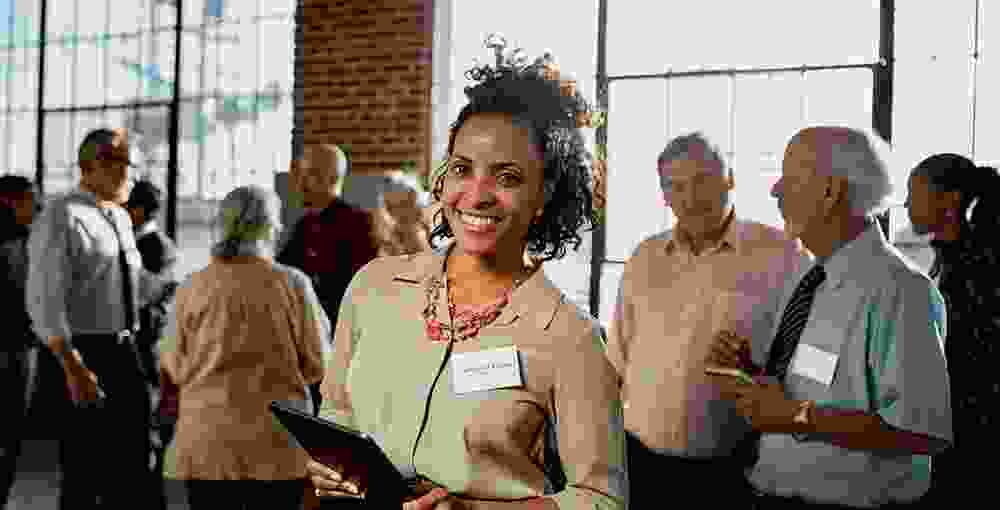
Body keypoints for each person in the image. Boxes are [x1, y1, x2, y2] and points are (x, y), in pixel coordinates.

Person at [308, 42, 627, 510]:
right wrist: (330, 467)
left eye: (508, 177)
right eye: (462, 169)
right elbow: (338, 415)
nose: (476, 195)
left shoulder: (571, 337)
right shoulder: (373, 287)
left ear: (545, 195)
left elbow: (602, 499)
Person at [708, 126, 952, 508]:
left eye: (789, 178)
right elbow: (820, 388)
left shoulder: (902, 291)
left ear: (830, 192)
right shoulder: (809, 278)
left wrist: (794, 416)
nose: (775, 191)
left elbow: (922, 432)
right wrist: (750, 373)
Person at [607, 132, 809, 507]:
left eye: (702, 180)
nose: (690, 197)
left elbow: (805, 364)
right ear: (664, 194)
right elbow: (618, 357)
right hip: (639, 463)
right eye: (675, 186)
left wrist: (756, 370)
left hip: (732, 471)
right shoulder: (644, 257)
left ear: (729, 179)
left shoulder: (782, 255)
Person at [25, 127, 176, 510]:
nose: (136, 176)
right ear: (98, 164)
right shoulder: (61, 216)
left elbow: (135, 284)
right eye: (131, 165)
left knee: (131, 461)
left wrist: (183, 287)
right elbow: (44, 300)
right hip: (82, 353)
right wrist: (73, 367)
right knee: (85, 468)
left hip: (125, 350)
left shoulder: (119, 218)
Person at [159, 185, 328, 510]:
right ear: (271, 227)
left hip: (206, 446)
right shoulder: (293, 284)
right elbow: (317, 364)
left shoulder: (192, 287)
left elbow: (175, 367)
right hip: (276, 448)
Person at [904, 154, 1000, 506]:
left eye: (914, 194)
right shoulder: (946, 262)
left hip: (971, 432)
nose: (906, 205)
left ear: (950, 200)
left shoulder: (976, 270)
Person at [277, 143, 379, 412]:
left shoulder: (358, 225)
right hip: (308, 347)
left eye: (308, 174)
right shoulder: (303, 226)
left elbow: (363, 293)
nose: (300, 183)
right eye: (300, 174)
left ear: (331, 177)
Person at [125, 178, 178, 510]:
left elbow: (148, 298)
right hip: (146, 342)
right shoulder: (154, 244)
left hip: (145, 345)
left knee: (146, 427)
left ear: (140, 210)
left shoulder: (153, 248)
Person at [0, 174, 40, 509]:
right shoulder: (16, 244)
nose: (37, 207)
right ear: (9, 202)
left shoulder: (24, 240)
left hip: (18, 345)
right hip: (13, 348)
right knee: (10, 429)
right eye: (31, 200)